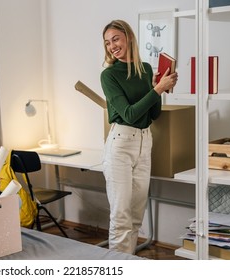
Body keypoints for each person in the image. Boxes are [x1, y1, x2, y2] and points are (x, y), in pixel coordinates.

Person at [100, 20, 178, 254]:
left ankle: (128, 264)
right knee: (121, 215)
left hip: (145, 143)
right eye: (107, 42)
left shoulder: (144, 69)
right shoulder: (109, 75)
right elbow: (130, 114)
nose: (112, 46)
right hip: (121, 144)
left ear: (128, 37)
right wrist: (156, 90)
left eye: (115, 39)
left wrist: (158, 88)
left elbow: (152, 115)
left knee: (136, 215)